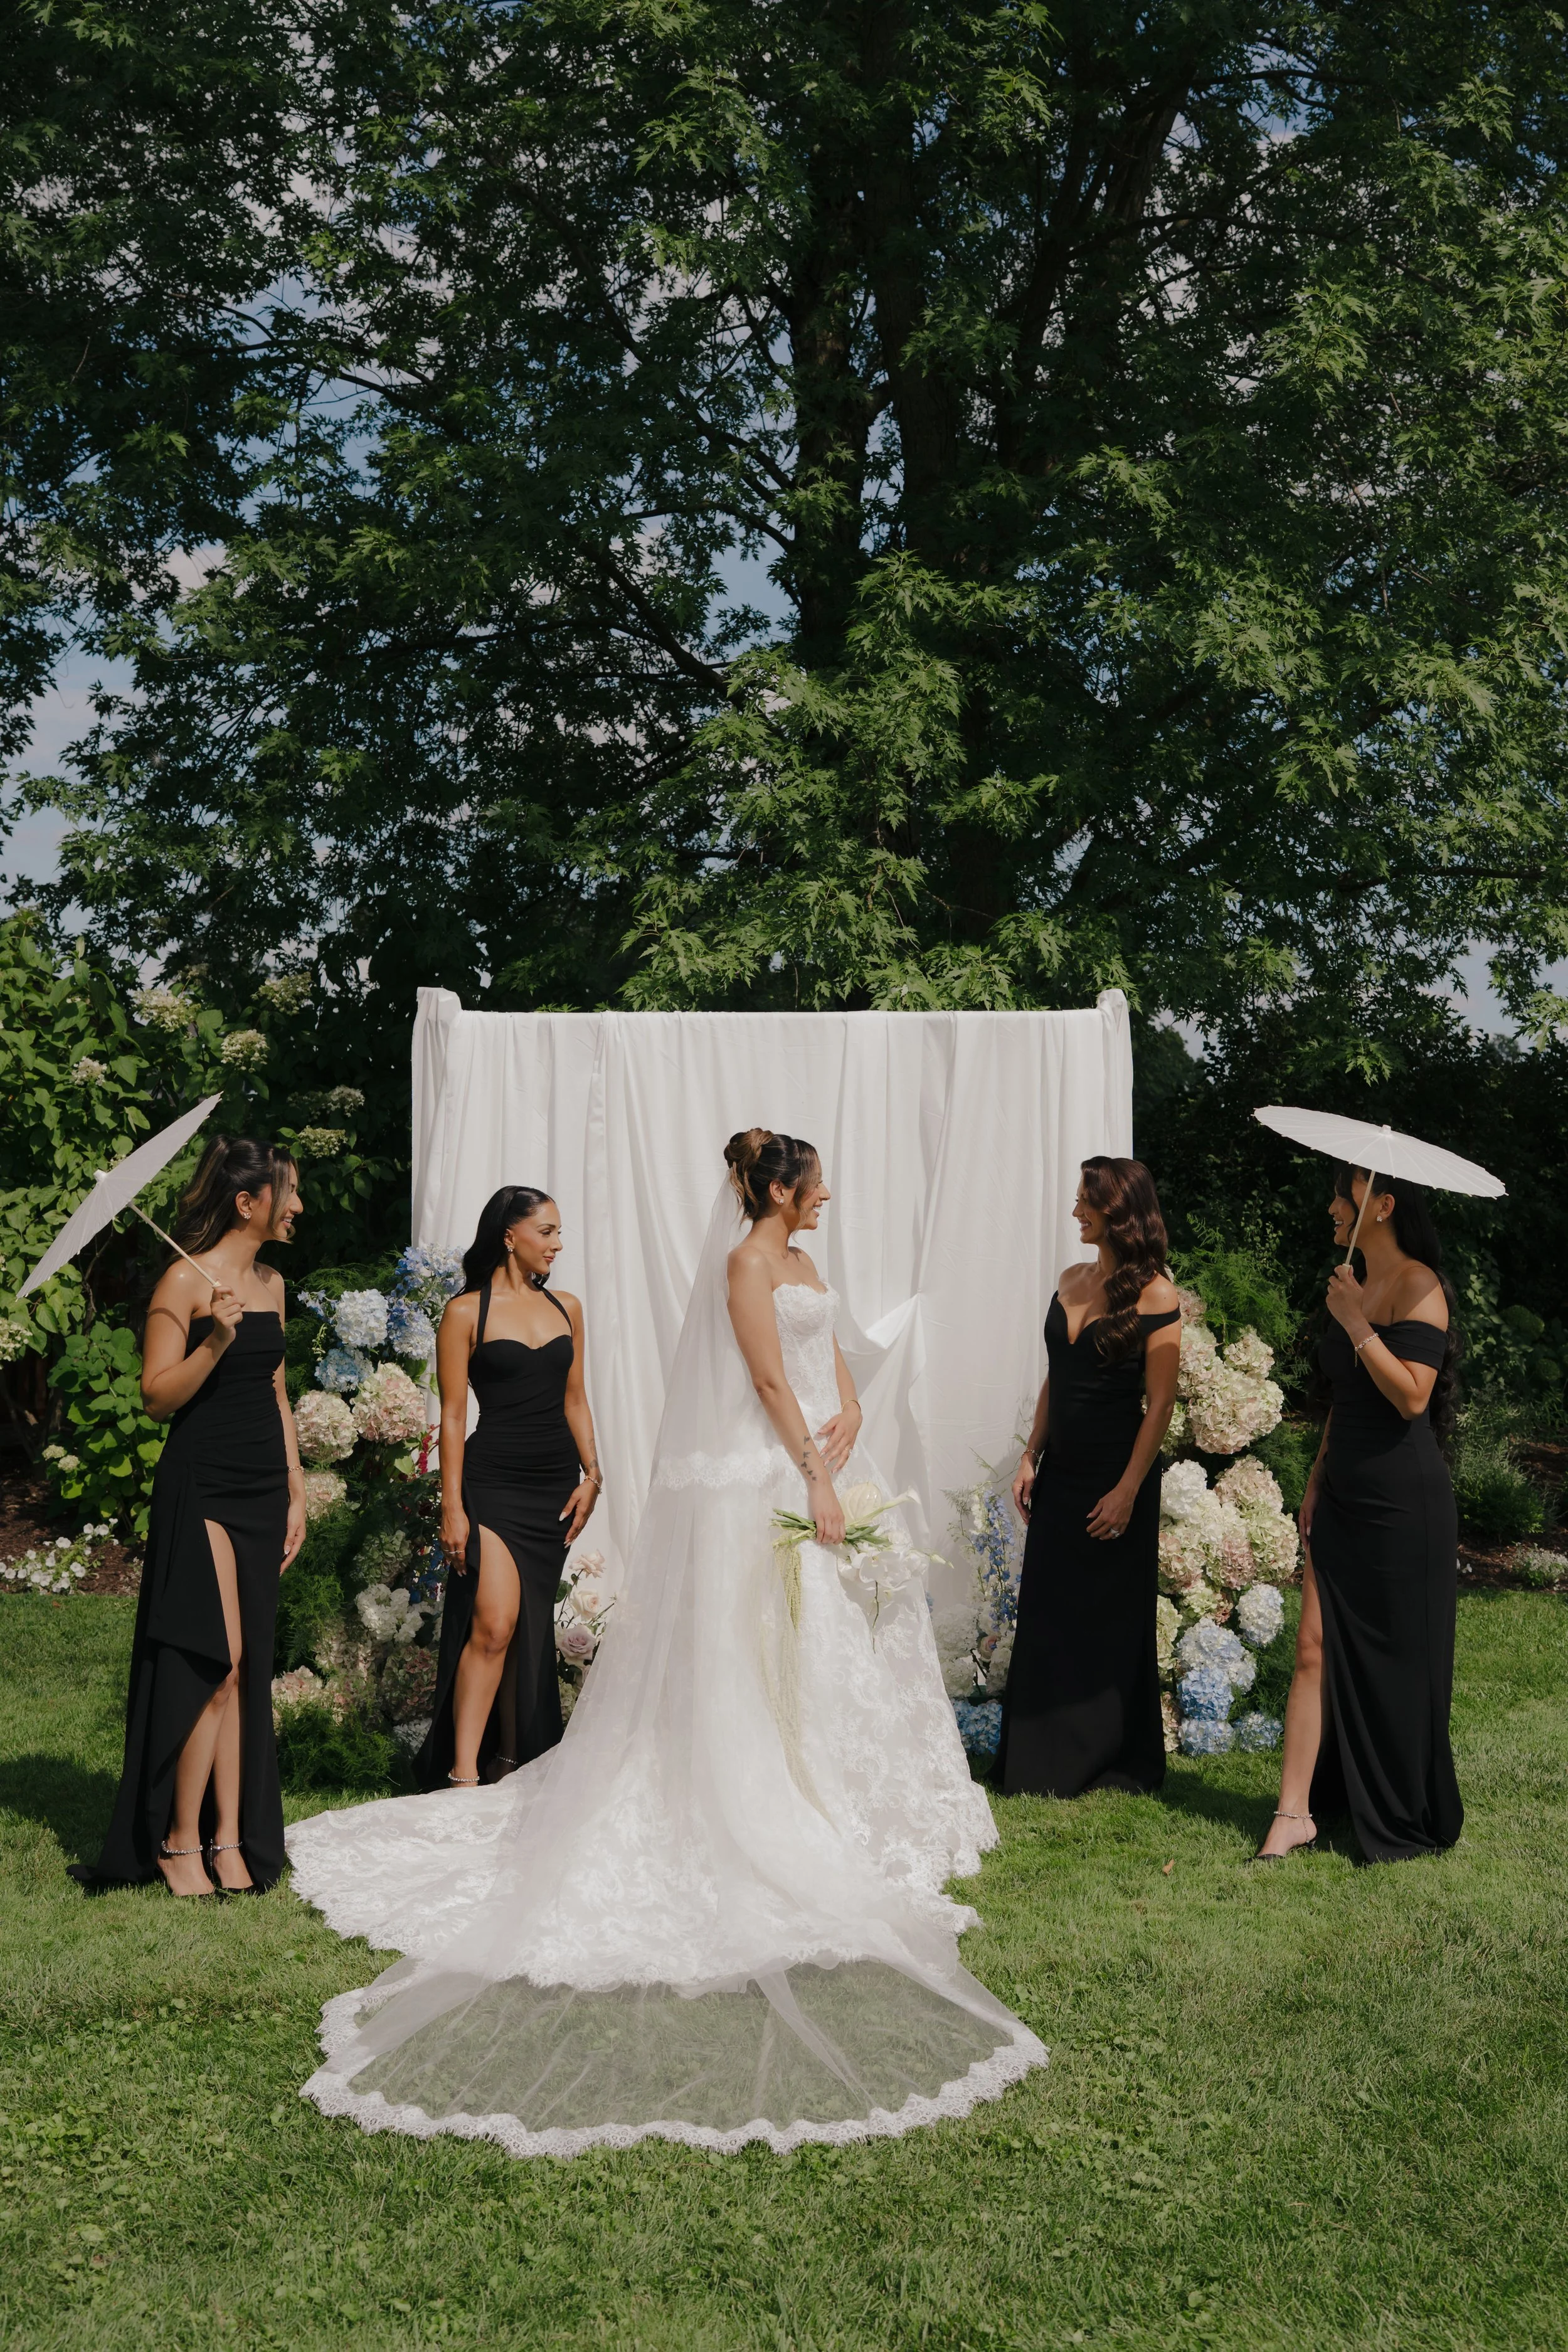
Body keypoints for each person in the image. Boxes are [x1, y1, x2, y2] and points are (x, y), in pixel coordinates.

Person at [285, 1130, 1041, 2157]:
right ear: (780, 1188)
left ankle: (844, 1790)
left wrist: (855, 1407)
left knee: (833, 1641)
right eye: (816, 1183)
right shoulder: (741, 1265)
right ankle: (731, 1793)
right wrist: (814, 1475)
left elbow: (822, 1354)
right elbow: (767, 1381)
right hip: (770, 1470)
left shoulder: (802, 1261)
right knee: (748, 1647)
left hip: (817, 1457)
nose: (827, 1196)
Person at [72, 1139, 305, 1897]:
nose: (298, 1207)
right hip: (202, 1481)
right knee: (217, 1659)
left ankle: (229, 1837)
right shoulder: (183, 1279)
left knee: (247, 1669)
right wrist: (216, 1341)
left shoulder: (272, 1282)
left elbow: (277, 1394)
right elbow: (155, 1397)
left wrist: (297, 1489)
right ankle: (178, 1840)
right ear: (248, 1202)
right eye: (289, 1192)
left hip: (263, 1486)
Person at [1255, 1165, 1462, 1863]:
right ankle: (1292, 1814)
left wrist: (1354, 1321)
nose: (1331, 1209)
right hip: (1342, 1492)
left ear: (1383, 1206)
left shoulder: (1417, 1285)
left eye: (1343, 1198)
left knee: (1399, 1657)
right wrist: (1317, 1478)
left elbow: (1412, 1397)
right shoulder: (1353, 1279)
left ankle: (1398, 1802)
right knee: (1312, 1647)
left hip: (1403, 1503)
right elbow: (1344, 1398)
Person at [995, 1157, 1181, 1799]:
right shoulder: (1070, 1279)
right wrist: (1030, 1454)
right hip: (1062, 1471)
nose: (1076, 1210)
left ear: (1117, 1211)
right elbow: (1059, 1374)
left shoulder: (1157, 1294)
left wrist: (1128, 1490)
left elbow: (1160, 1404)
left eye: (1086, 1201)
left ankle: (1108, 1758)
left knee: (1108, 1621)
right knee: (1049, 1614)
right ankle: (1040, 1758)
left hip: (1116, 1475)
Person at [416, 1187, 601, 1790]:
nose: (558, 1244)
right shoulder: (464, 1313)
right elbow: (451, 1416)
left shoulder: (567, 1308)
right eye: (547, 1232)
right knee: (494, 1624)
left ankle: (513, 1762)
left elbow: (576, 1400)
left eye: (559, 1231)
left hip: (554, 1484)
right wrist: (452, 1506)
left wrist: (594, 1476)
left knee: (529, 1629)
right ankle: (463, 1773)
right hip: (492, 1481)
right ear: (509, 1235)